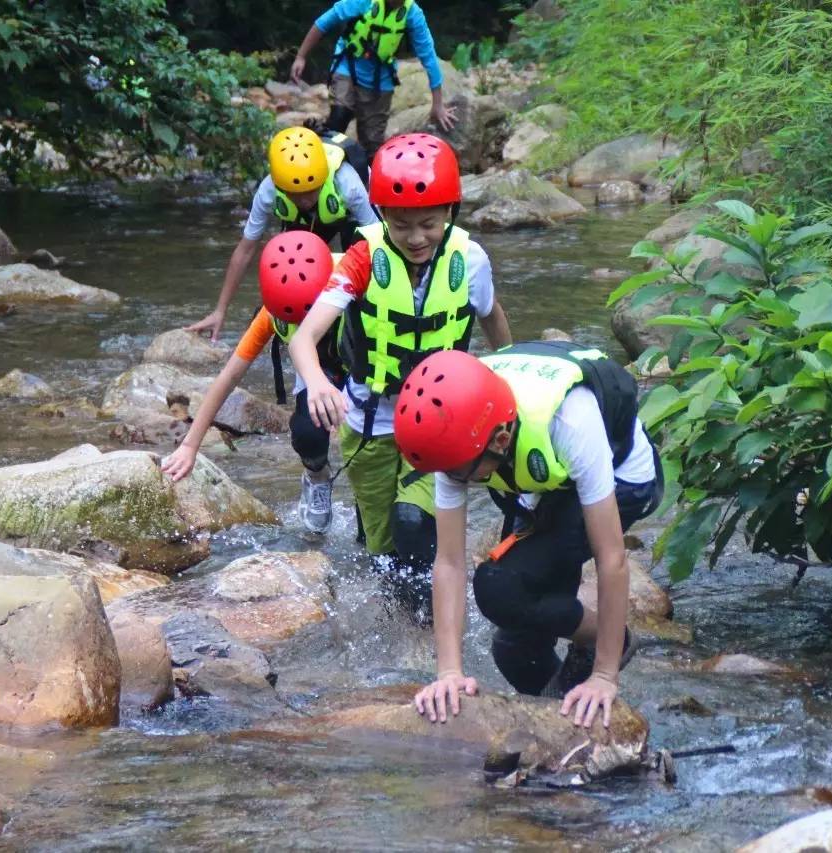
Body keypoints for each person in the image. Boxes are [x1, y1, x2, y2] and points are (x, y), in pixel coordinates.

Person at [288, 132, 511, 616]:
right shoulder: (362, 258)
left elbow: (492, 318)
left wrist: (511, 377)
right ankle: (399, 625)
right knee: (381, 548)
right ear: (381, 214)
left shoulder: (469, 260)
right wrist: (320, 384)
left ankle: (424, 629)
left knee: (414, 524)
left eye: (429, 224)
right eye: (401, 223)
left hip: (440, 420)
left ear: (450, 212)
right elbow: (302, 339)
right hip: (371, 420)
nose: (415, 238)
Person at [393, 342, 665, 729]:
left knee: (499, 588)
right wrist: (448, 673)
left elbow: (612, 558)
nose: (452, 480)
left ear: (500, 441)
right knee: (514, 649)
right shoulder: (455, 429)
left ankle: (612, 644)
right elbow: (449, 560)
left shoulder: (570, 420)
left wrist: (605, 677)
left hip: (624, 480)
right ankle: (555, 718)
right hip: (543, 484)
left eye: (458, 473)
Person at [163, 231, 346, 534]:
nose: (306, 327)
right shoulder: (271, 314)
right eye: (297, 321)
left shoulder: (355, 278)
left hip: (367, 357)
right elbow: (229, 376)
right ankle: (317, 477)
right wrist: (190, 445)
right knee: (306, 433)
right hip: (314, 364)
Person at [187, 127, 378, 343]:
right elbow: (245, 250)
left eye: (311, 191)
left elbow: (379, 242)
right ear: (281, 187)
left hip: (348, 215)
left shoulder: (348, 183)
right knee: (291, 266)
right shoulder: (269, 189)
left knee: (357, 264)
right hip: (305, 220)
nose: (305, 200)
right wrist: (220, 311)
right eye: (296, 194)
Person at [288, 0, 456, 159]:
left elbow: (428, 55)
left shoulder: (413, 13)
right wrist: (301, 57)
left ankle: (364, 182)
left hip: (380, 79)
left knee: (372, 146)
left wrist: (437, 104)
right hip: (348, 65)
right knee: (340, 116)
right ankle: (318, 164)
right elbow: (324, 22)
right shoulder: (364, 2)